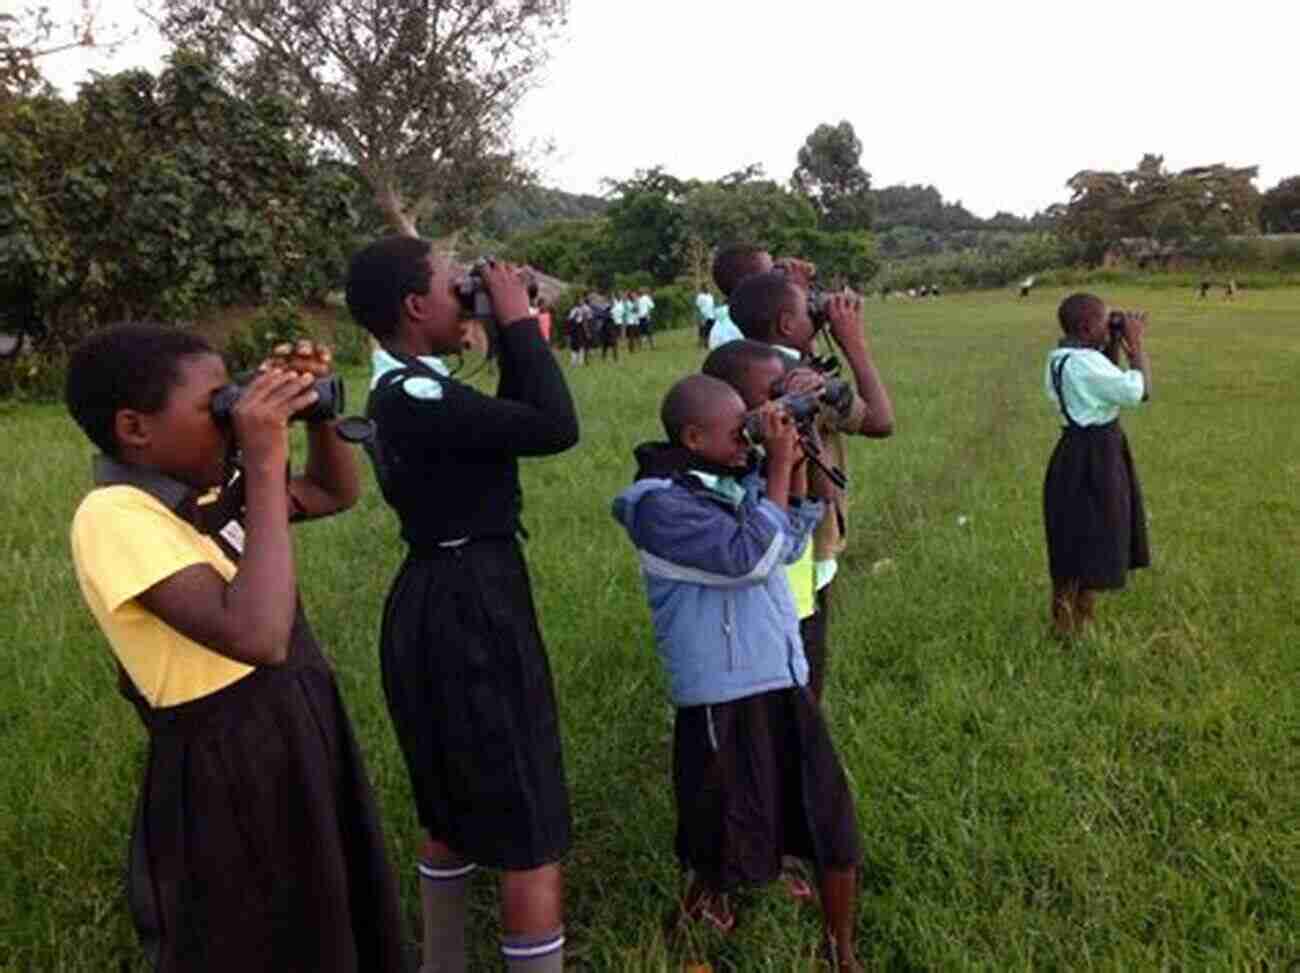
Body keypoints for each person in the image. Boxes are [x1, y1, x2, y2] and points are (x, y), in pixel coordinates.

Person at [65, 325, 403, 973]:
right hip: (226, 763)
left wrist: (317, 413)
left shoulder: (213, 487)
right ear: (135, 429)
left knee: (334, 915)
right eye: (215, 406)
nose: (233, 419)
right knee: (252, 935)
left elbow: (334, 493)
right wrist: (266, 458)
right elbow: (258, 634)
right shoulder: (113, 515)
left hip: (299, 723)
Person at [346, 237, 579, 973]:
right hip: (472, 607)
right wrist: (515, 322)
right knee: (528, 823)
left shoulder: (412, 388)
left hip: (434, 596)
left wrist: (506, 329)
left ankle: (440, 962)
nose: (468, 293)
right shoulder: (416, 396)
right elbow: (552, 426)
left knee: (447, 802)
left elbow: (509, 418)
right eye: (455, 286)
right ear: (416, 307)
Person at [611, 374, 863, 971]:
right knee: (720, 835)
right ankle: (690, 927)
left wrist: (796, 457)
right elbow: (747, 557)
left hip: (780, 676)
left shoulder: (731, 480)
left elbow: (792, 539)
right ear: (693, 436)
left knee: (829, 818)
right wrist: (775, 466)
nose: (750, 439)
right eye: (737, 430)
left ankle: (841, 952)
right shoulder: (657, 506)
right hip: (722, 695)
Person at [730, 270, 895, 703]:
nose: (819, 314)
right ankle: (803, 738)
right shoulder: (803, 383)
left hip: (760, 530)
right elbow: (880, 420)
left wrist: (810, 318)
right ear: (787, 325)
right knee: (805, 652)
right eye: (810, 311)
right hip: (808, 538)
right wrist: (853, 342)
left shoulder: (741, 367)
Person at [1044, 293, 1151, 637]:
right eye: (1106, 324)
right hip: (1097, 457)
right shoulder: (1086, 364)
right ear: (1088, 327)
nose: (1111, 329)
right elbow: (1138, 392)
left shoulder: (1061, 358)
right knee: (1094, 534)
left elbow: (1102, 376)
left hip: (1073, 453)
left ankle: (1070, 621)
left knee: (1075, 538)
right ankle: (1073, 625)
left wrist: (1112, 343)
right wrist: (1136, 346)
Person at [565, 299, 591, 366]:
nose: (581, 303)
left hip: (579, 330)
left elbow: (586, 321)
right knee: (576, 347)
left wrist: (587, 332)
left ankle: (579, 362)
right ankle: (575, 362)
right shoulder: (574, 310)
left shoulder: (583, 310)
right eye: (580, 301)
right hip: (575, 330)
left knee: (580, 346)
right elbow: (569, 320)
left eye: (582, 301)